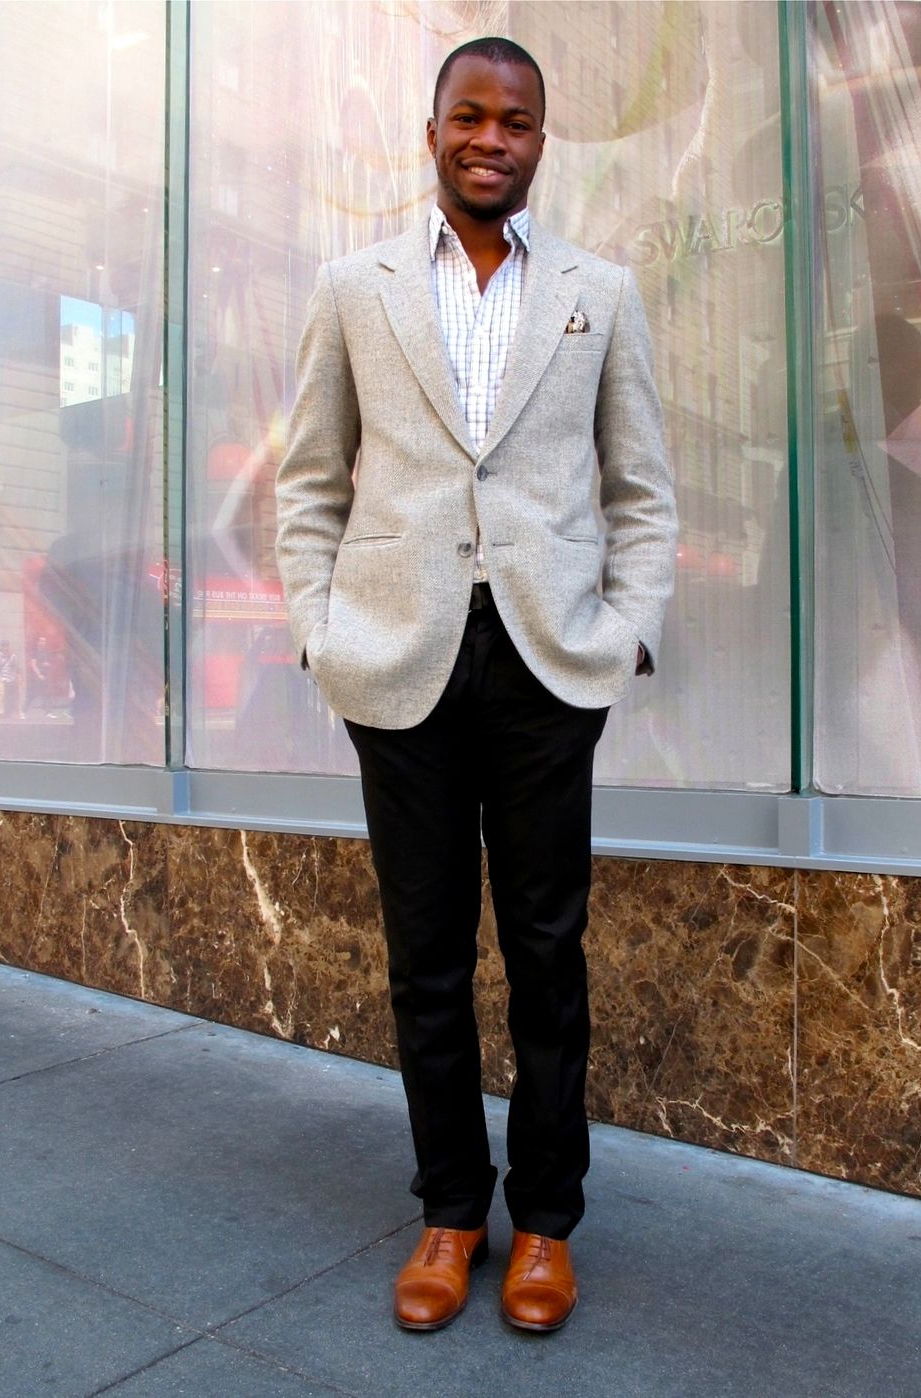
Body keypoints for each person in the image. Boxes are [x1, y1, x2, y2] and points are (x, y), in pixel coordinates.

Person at [276, 37, 677, 1333]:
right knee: (425, 960)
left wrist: (620, 635)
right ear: (434, 127)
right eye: (470, 115)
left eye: (515, 121)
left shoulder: (598, 292)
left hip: (549, 663)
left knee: (549, 955)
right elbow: (310, 483)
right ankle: (453, 1212)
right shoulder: (355, 286)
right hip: (400, 661)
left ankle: (546, 1222)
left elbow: (642, 492)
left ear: (540, 144)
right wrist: (321, 630)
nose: (490, 137)